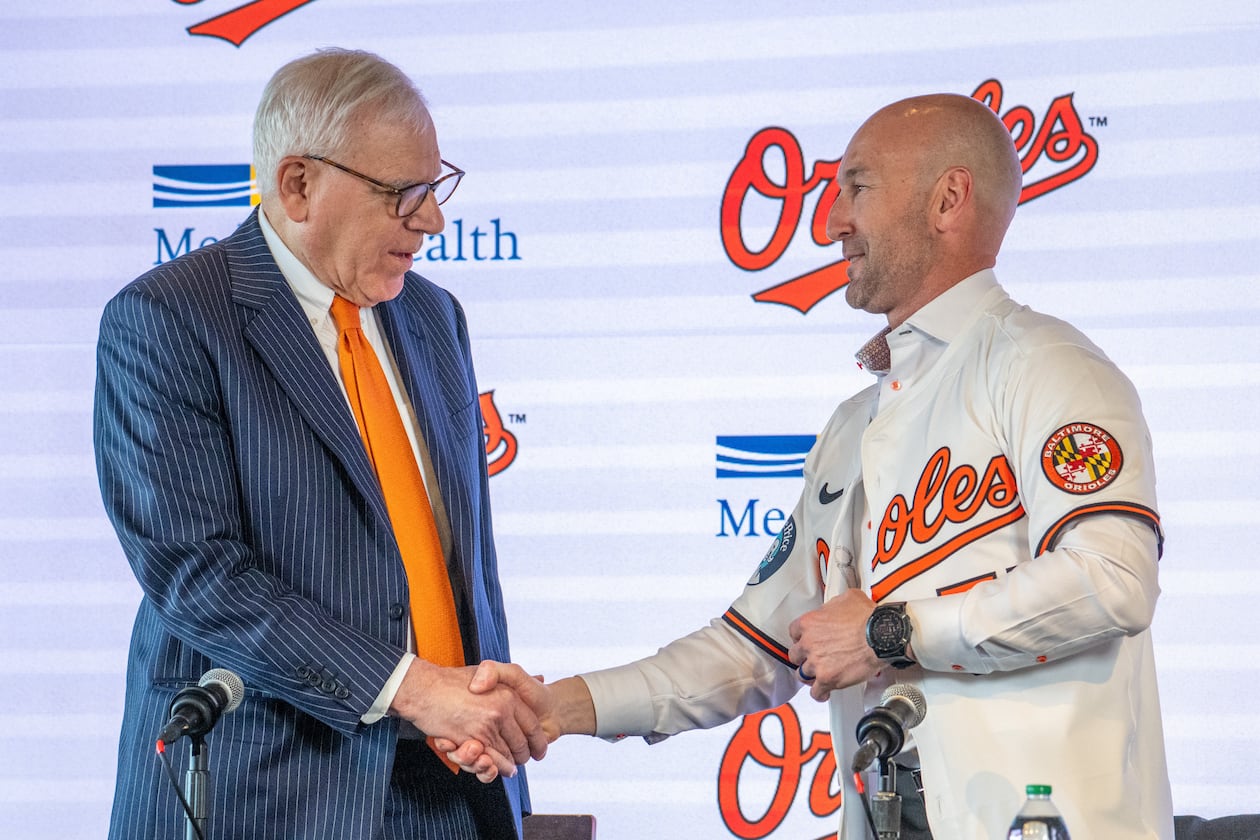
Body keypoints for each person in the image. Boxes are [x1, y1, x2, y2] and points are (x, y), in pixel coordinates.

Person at [447, 93, 1175, 839]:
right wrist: (558, 707)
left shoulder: (1049, 366)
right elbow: (753, 648)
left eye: (856, 186)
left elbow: (1111, 579)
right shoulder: (853, 425)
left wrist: (888, 633)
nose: (831, 222)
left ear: (948, 199)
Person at [95, 48, 547, 840]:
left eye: (437, 188)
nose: (434, 220)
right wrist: (409, 687)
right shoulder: (169, 319)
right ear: (298, 184)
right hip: (265, 797)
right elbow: (199, 575)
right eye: (403, 194)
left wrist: (482, 716)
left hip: (451, 794)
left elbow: (461, 566)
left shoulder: (435, 318)